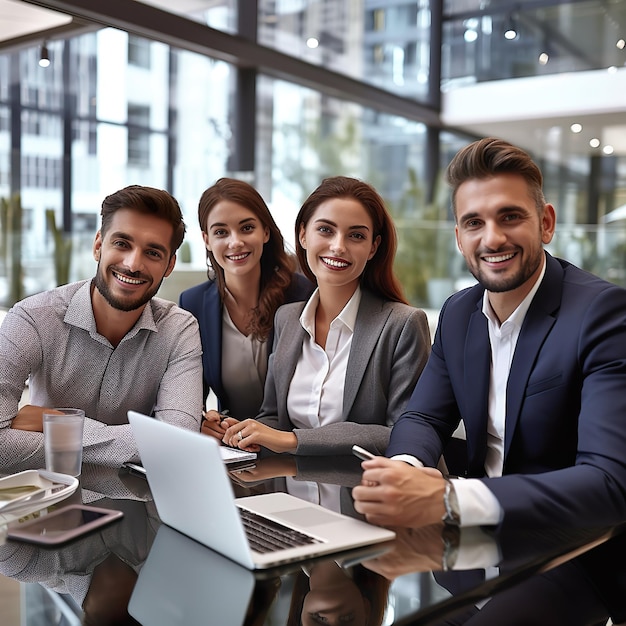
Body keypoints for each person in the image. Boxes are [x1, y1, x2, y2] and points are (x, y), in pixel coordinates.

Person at [352, 138, 626, 623]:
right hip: (470, 542)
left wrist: (445, 499)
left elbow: (607, 485)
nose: (492, 238)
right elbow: (422, 414)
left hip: (571, 553)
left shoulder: (602, 313)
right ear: (458, 236)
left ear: (546, 222)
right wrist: (409, 467)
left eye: (510, 216)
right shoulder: (459, 312)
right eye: (474, 223)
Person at [219, 176, 431, 455]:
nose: (339, 247)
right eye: (326, 230)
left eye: (356, 235)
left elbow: (404, 433)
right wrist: (246, 432)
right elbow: (273, 417)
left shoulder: (402, 324)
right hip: (286, 491)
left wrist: (294, 441)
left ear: (373, 247)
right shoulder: (287, 318)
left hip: (358, 493)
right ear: (304, 235)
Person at [0, 185, 203, 468]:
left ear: (169, 266)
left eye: (153, 253)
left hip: (138, 504)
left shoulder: (179, 329)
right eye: (122, 243)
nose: (133, 264)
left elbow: (179, 442)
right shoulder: (32, 318)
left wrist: (60, 423)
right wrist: (151, 440)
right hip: (52, 498)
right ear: (98, 246)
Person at [178, 178, 314, 432]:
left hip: (292, 446)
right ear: (206, 240)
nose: (235, 242)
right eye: (221, 232)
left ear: (265, 231)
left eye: (246, 228)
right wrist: (203, 422)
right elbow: (188, 396)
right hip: (234, 449)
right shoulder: (192, 303)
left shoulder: (303, 295)